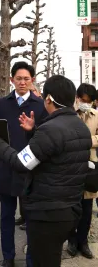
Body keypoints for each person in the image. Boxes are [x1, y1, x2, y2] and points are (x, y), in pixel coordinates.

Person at [0, 75, 92, 267]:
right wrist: (34, 131)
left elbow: (21, 163)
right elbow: (55, 151)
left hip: (47, 214)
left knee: (43, 259)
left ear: (48, 99)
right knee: (52, 258)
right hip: (71, 210)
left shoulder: (51, 129)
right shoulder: (80, 126)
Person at [0, 61, 47, 267]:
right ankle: (8, 257)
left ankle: (31, 259)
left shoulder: (40, 106)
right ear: (12, 80)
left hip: (32, 170)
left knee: (31, 219)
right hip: (6, 166)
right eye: (18, 78)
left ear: (32, 80)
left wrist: (33, 129)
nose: (22, 82)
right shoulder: (4, 103)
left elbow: (46, 137)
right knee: (6, 216)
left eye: (26, 79)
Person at [67, 83, 98, 259]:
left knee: (86, 210)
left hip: (91, 168)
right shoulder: (70, 115)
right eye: (82, 100)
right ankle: (71, 241)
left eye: (88, 101)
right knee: (72, 208)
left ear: (93, 102)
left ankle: (83, 242)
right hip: (71, 167)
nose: (84, 103)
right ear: (77, 98)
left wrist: (87, 140)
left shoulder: (97, 116)